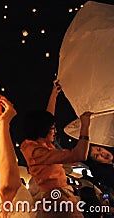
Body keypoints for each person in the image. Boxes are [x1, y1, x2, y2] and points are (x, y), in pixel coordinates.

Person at [20, 81, 93, 217]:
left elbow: (48, 117)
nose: (55, 131)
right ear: (43, 129)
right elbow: (80, 155)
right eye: (53, 128)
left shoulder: (38, 145)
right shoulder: (38, 152)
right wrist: (85, 125)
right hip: (58, 201)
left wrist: (54, 94)